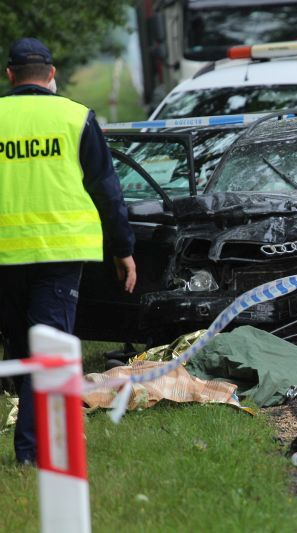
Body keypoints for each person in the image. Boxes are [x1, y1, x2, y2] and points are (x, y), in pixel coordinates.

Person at [0, 38, 136, 464]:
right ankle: (32, 454)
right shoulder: (76, 117)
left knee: (22, 352)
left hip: (5, 258)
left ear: (10, 75)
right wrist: (123, 250)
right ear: (52, 74)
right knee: (48, 353)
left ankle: (31, 449)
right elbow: (108, 193)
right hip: (59, 256)